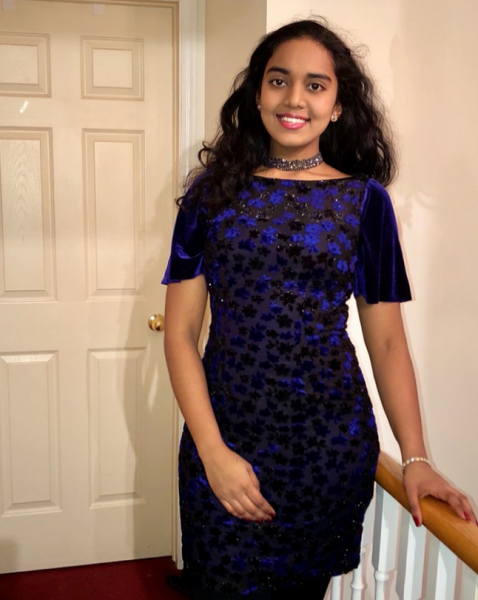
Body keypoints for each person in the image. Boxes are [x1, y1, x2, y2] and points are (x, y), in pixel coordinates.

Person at [162, 18, 477, 600]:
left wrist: (415, 457)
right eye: (279, 80)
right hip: (224, 439)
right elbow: (179, 334)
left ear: (337, 106)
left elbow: (388, 342)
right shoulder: (212, 194)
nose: (294, 99)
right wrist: (212, 451)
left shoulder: (365, 202)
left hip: (327, 450)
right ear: (258, 93)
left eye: (315, 85)